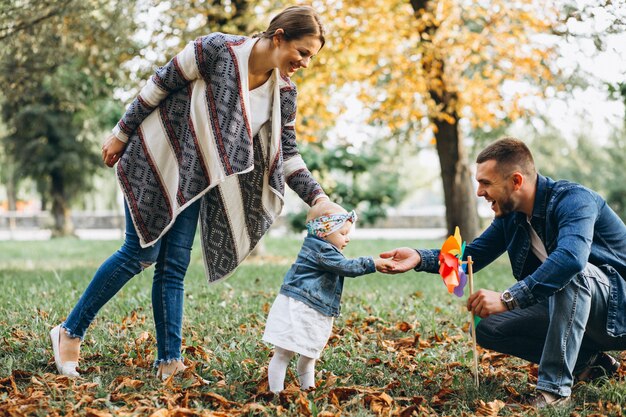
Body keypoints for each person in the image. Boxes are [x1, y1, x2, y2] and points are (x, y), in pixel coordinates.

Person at [49, 5, 332, 380]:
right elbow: (159, 84)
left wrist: (318, 197)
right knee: (140, 252)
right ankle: (69, 331)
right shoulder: (216, 49)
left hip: (194, 181)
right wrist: (120, 132)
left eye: (311, 56)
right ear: (279, 37)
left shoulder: (283, 93)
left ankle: (169, 360)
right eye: (303, 53)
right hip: (156, 157)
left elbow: (287, 154)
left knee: (174, 267)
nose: (306, 63)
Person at [380, 137, 626, 408]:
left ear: (516, 181)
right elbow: (473, 255)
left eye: (486, 183)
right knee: (487, 326)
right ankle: (591, 364)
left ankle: (554, 392)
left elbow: (571, 260)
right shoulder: (513, 216)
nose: (478, 192)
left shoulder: (574, 200)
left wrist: (509, 298)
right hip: (573, 313)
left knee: (569, 273)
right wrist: (418, 257)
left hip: (617, 313)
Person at [262, 202, 392, 393]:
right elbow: (346, 267)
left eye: (348, 234)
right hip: (298, 306)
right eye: (342, 234)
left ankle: (308, 388)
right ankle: (276, 394)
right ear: (323, 231)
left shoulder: (326, 247)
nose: (347, 239)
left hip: (314, 308)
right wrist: (373, 263)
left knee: (310, 353)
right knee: (284, 352)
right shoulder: (320, 250)